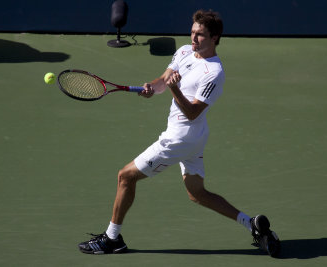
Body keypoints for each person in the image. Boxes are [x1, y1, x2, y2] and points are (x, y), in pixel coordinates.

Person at [78, 9, 281, 257]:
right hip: (195, 138)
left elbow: (192, 112)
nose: (194, 39)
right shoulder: (185, 51)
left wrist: (174, 90)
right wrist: (152, 87)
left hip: (181, 138)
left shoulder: (214, 73)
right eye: (193, 32)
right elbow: (164, 79)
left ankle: (111, 239)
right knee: (197, 193)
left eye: (201, 35)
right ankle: (252, 225)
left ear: (215, 38)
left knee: (125, 177)